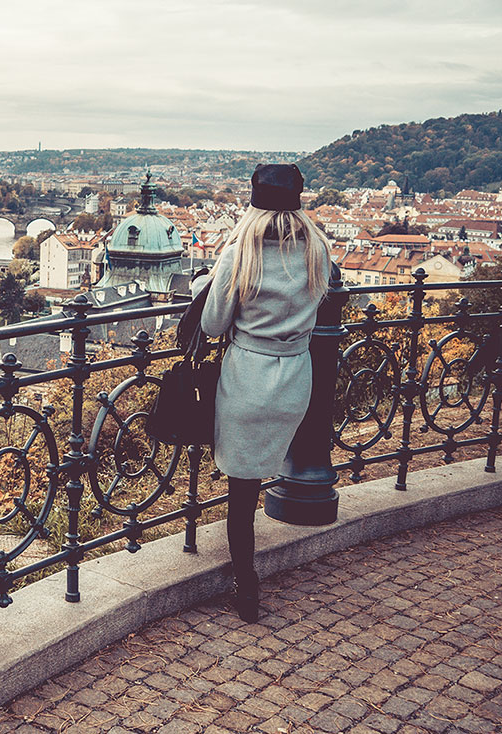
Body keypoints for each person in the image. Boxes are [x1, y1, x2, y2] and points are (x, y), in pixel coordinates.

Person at [189, 164, 332, 622]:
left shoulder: (241, 253)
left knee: (242, 491)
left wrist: (205, 288)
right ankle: (245, 578)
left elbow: (212, 325)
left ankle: (246, 586)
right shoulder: (317, 250)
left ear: (253, 200)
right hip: (296, 378)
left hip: (248, 378)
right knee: (257, 475)